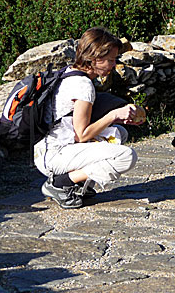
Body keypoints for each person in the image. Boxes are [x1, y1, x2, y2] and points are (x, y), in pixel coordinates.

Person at [34, 26, 143, 209]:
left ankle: (78, 185)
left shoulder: (69, 73)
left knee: (118, 133)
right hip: (55, 156)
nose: (114, 64)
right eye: (110, 60)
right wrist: (114, 114)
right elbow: (82, 135)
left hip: (45, 149)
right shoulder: (83, 86)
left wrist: (117, 119)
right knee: (126, 156)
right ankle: (61, 183)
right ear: (94, 59)